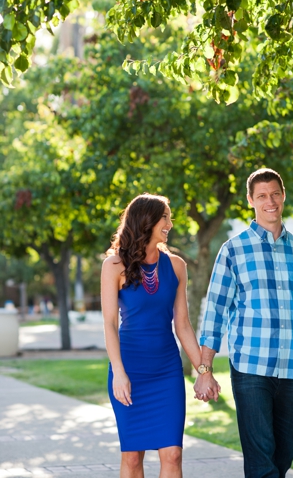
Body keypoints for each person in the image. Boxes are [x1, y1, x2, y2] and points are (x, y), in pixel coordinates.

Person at [194, 168, 293, 478]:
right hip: (251, 369)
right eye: (261, 196)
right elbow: (215, 313)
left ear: (283, 195)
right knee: (262, 464)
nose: (269, 201)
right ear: (250, 200)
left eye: (274, 194)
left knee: (284, 455)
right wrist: (205, 371)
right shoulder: (233, 251)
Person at [101, 193, 209, 478]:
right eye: (165, 218)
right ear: (147, 221)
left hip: (166, 371)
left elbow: (183, 324)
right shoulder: (113, 266)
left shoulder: (176, 266)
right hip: (130, 368)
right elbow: (110, 324)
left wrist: (203, 370)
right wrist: (119, 372)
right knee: (133, 458)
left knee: (172, 455)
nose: (170, 224)